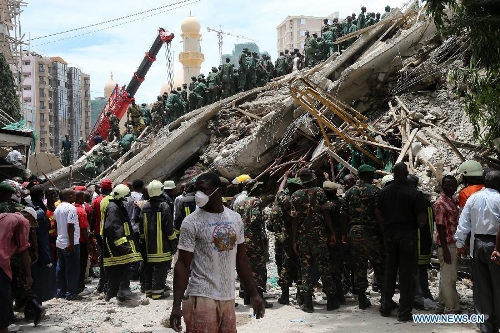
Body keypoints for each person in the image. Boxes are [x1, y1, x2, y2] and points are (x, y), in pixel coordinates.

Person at [169, 172, 265, 332]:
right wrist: (176, 305)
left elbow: (241, 260)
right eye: (196, 189)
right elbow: (183, 264)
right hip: (201, 297)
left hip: (228, 297)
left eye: (203, 189)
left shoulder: (235, 219)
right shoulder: (191, 222)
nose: (198, 194)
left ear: (218, 191)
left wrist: (254, 293)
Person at [376, 163, 428, 322]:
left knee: (389, 271)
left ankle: (385, 306)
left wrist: (385, 227)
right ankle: (404, 312)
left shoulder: (384, 192)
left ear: (393, 174)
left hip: (391, 235)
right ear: (407, 173)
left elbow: (377, 212)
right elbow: (422, 220)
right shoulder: (414, 193)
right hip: (408, 236)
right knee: (407, 275)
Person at [455, 170, 500, 333]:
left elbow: (464, 223)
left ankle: (486, 326)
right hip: (496, 245)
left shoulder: (473, 198)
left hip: (477, 244)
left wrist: (460, 244)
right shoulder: (499, 199)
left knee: (481, 287)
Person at [290, 168, 338, 312]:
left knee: (305, 269)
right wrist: (332, 233)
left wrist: (294, 240)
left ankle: (308, 303)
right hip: (319, 237)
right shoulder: (319, 192)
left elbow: (294, 220)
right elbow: (326, 214)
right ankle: (331, 301)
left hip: (303, 238)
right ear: (312, 179)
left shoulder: (295, 196)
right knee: (324, 268)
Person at [341, 164, 384, 310]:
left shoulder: (350, 192)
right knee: (378, 264)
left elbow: (344, 214)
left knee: (359, 266)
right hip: (372, 233)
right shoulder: (375, 192)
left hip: (354, 232)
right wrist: (384, 232)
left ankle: (362, 298)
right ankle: (384, 298)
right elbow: (379, 213)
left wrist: (344, 233)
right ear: (368, 176)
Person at [235, 180, 273, 308]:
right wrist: (266, 216)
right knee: (259, 268)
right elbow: (255, 220)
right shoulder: (255, 202)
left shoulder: (240, 204)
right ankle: (259, 298)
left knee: (246, 267)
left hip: (241, 239)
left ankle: (246, 297)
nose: (260, 190)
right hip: (254, 240)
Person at [102, 184, 142, 302]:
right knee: (118, 270)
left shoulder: (117, 205)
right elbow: (113, 228)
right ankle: (112, 294)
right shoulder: (113, 207)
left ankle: (117, 293)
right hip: (117, 245)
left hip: (119, 244)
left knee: (121, 269)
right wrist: (123, 245)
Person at [139, 180, 177, 299]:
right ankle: (157, 292)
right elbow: (168, 227)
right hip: (162, 245)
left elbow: (141, 227)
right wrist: (174, 243)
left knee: (149, 267)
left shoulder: (145, 206)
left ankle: (149, 290)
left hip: (149, 246)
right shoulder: (163, 205)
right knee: (161, 268)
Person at [0, 211, 32, 333]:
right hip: (1, 262)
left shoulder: (4, 216)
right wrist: (28, 275)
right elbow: (23, 249)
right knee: (3, 300)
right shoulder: (23, 221)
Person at [433, 175, 460, 314]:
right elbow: (440, 228)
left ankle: (441, 305)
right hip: (447, 245)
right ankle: (452, 309)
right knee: (449, 279)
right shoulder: (440, 203)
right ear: (442, 186)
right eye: (448, 185)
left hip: (452, 243)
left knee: (447, 276)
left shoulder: (452, 201)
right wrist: (445, 250)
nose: (451, 188)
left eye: (453, 185)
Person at [54, 189, 81, 300]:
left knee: (61, 267)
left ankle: (60, 292)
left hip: (60, 242)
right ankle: (71, 293)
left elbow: (55, 225)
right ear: (69, 196)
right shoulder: (71, 208)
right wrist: (71, 243)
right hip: (70, 242)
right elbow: (71, 226)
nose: (75, 197)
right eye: (74, 195)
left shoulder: (58, 208)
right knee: (72, 269)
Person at [91, 179, 113, 292]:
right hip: (110, 233)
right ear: (111, 189)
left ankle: (102, 282)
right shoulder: (112, 200)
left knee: (102, 256)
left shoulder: (96, 201)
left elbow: (93, 217)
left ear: (101, 189)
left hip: (99, 232)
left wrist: (91, 230)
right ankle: (108, 282)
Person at [74, 190, 92, 294]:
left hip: (72, 241)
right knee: (82, 264)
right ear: (82, 198)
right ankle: (80, 287)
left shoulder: (70, 208)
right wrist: (88, 243)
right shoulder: (81, 211)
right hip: (81, 240)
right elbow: (84, 228)